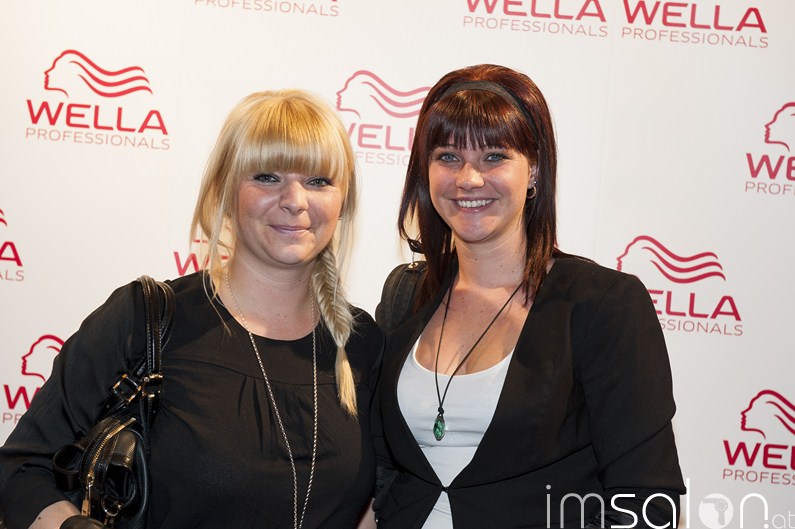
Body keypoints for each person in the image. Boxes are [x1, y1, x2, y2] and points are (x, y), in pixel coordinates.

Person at [0, 89, 383, 529]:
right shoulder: (145, 321)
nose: (295, 200)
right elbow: (21, 469)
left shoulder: (363, 344)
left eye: (319, 181)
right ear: (224, 189)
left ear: (344, 200)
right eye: (267, 177)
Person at [371, 64, 685, 528]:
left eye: (494, 156)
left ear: (533, 169)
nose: (469, 178)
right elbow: (378, 474)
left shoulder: (603, 304)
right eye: (448, 156)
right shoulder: (405, 293)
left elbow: (648, 503)